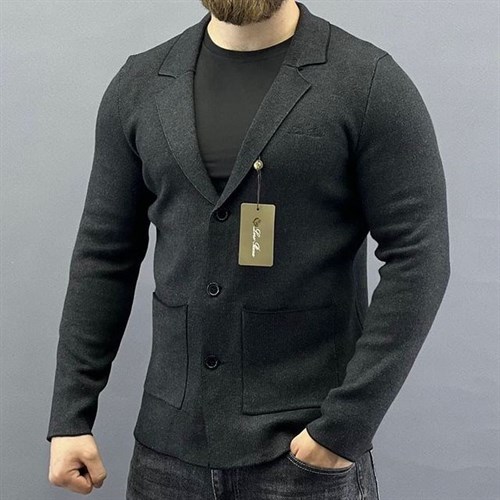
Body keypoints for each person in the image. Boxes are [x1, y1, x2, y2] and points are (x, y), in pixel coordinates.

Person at [46, 1, 450, 498]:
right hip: (165, 455)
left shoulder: (368, 82)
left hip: (304, 458)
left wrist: (344, 428)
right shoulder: (140, 84)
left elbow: (420, 256)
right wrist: (70, 415)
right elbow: (103, 255)